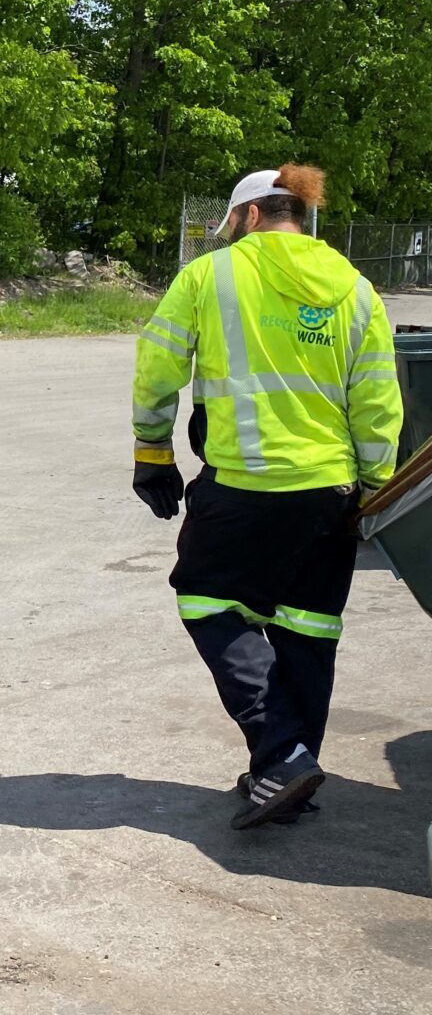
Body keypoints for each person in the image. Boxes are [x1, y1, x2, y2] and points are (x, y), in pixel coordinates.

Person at [131, 165, 403, 828]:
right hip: (328, 494)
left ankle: (280, 753)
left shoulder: (211, 276)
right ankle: (286, 784)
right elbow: (377, 398)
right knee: (307, 631)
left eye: (231, 223)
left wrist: (151, 450)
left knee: (203, 596)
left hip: (243, 488)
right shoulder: (358, 289)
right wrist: (374, 487)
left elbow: (159, 363)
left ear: (250, 215)